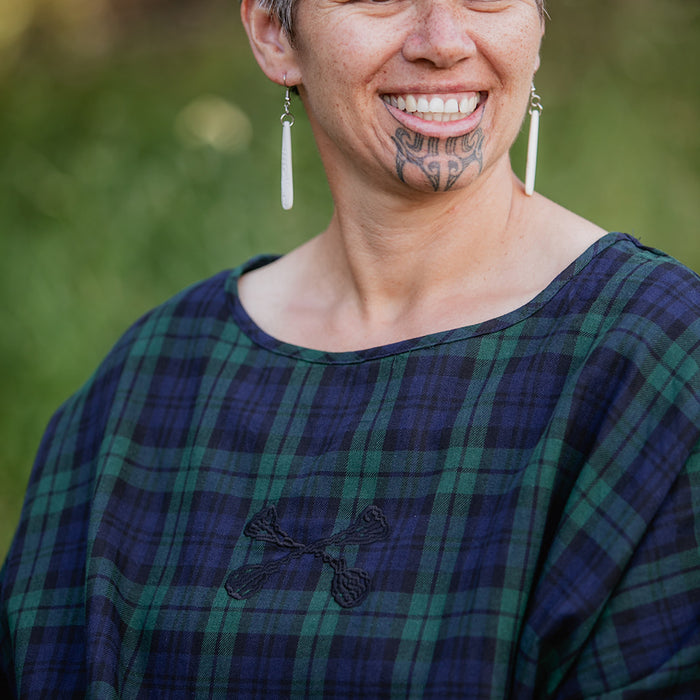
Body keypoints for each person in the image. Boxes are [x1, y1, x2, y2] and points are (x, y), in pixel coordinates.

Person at [2, 0, 699, 696]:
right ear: (276, 35)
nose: (443, 41)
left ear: (539, 28)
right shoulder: (149, 382)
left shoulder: (656, 358)